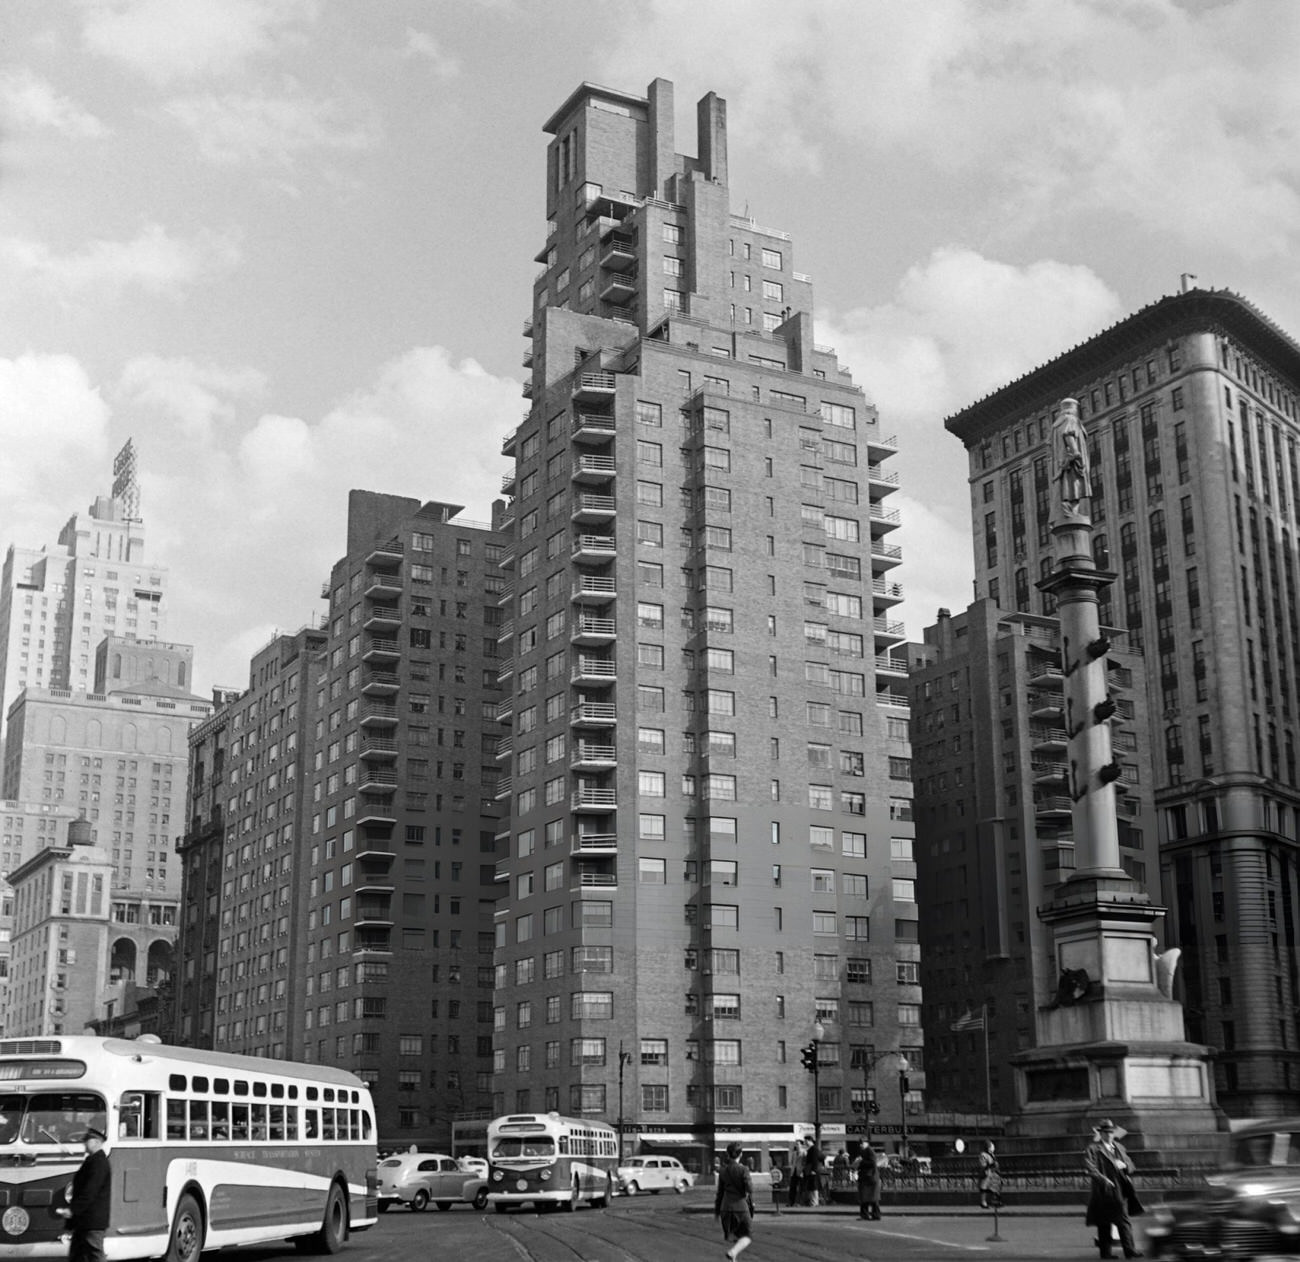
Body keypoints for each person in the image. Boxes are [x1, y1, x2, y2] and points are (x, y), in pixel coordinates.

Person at [1085, 1120, 1144, 1259]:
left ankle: (1129, 1250)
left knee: (1123, 1221)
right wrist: (1103, 1179)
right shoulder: (1093, 1149)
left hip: (1121, 1188)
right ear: (1101, 1134)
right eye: (1106, 1133)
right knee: (1104, 1222)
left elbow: (1131, 1164)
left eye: (1111, 1132)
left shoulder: (1119, 1147)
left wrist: (1124, 1165)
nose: (1109, 1135)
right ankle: (1106, 1253)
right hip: (1104, 1190)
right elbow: (1090, 1168)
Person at [55, 1125, 111, 1262]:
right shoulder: (93, 1161)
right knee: (79, 1256)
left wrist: (73, 1210)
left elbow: (89, 1191)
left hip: (92, 1221)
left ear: (96, 1142)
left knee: (94, 1254)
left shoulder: (98, 1163)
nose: (84, 1143)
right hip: (85, 1220)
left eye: (88, 1140)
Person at [714, 1141, 754, 1261]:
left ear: (728, 1154)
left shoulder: (722, 1171)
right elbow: (750, 1189)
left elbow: (720, 1193)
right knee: (747, 1236)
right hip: (740, 1208)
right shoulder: (743, 1169)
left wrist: (717, 1212)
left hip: (725, 1208)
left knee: (735, 1237)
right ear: (740, 1154)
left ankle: (734, 1256)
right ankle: (733, 1252)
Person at [855, 1143, 882, 1220]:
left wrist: (861, 1162)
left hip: (868, 1178)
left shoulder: (868, 1152)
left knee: (866, 1198)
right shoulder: (868, 1152)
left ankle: (866, 1214)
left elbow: (872, 1163)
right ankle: (875, 1214)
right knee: (872, 1198)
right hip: (870, 1178)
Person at [978, 1140, 1001, 1209]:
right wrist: (991, 1165)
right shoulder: (983, 1155)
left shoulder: (991, 1154)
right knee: (984, 1189)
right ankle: (983, 1202)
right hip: (986, 1173)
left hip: (993, 1173)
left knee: (994, 1188)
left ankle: (994, 1201)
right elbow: (983, 1165)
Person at [787, 1138, 804, 1207]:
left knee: (800, 1188)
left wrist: (803, 1171)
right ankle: (791, 1202)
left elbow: (804, 1163)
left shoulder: (804, 1152)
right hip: (794, 1171)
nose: (796, 1145)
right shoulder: (794, 1153)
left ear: (801, 1145)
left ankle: (799, 1202)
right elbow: (792, 1162)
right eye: (796, 1144)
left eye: (798, 1144)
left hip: (800, 1172)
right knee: (792, 1187)